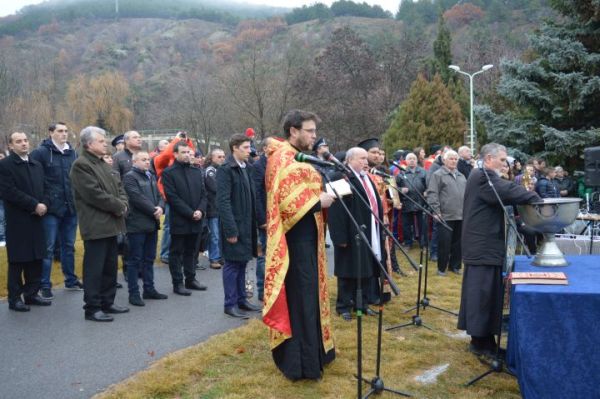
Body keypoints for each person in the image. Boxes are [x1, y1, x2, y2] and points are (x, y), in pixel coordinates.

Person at [263, 109, 336, 380]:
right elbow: (284, 202)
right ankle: (301, 364)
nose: (314, 137)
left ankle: (316, 353)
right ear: (293, 130)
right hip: (295, 241)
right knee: (301, 298)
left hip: (308, 237)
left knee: (311, 297)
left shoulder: (294, 156)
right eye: (310, 131)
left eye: (315, 132)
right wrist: (319, 201)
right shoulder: (282, 157)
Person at [458, 143, 541, 357]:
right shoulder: (483, 176)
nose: (507, 163)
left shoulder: (484, 175)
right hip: (482, 245)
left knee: (487, 293)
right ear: (488, 159)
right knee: (481, 295)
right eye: (502, 160)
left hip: (486, 245)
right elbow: (508, 190)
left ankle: (486, 340)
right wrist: (534, 199)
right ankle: (481, 343)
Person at [70, 126, 130, 322]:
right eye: (101, 141)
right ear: (89, 144)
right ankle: (92, 307)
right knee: (94, 269)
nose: (106, 143)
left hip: (112, 224)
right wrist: (118, 207)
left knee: (110, 267)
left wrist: (123, 204)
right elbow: (94, 195)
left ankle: (107, 302)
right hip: (96, 226)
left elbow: (119, 188)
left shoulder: (104, 164)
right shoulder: (81, 165)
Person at [328, 146, 383, 320]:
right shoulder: (339, 176)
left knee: (365, 266)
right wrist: (340, 237)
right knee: (347, 268)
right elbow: (335, 210)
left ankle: (362, 303)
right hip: (349, 232)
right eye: (361, 159)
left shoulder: (366, 178)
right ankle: (344, 305)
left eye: (366, 159)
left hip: (368, 229)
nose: (366, 162)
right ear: (350, 160)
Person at [30, 122, 82, 300]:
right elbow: (36, 180)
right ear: (51, 132)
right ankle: (44, 285)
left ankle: (71, 280)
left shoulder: (72, 152)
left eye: (66, 131)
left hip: (70, 207)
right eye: (60, 131)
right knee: (48, 248)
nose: (64, 134)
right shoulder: (41, 153)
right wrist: (42, 202)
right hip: (50, 209)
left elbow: (76, 179)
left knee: (69, 246)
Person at [0, 132, 51, 311]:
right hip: (18, 220)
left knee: (36, 258)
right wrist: (34, 205)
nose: (23, 144)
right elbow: (8, 191)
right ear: (11, 146)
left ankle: (31, 294)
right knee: (18, 260)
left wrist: (44, 203)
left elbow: (45, 187)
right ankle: (15, 298)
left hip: (37, 218)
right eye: (18, 141)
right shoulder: (5, 165)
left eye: (25, 140)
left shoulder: (36, 164)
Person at [217, 133, 261, 318]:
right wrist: (230, 229)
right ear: (234, 147)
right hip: (235, 225)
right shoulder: (226, 169)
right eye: (245, 147)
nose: (249, 150)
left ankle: (242, 299)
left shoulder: (246, 167)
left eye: (249, 147)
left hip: (247, 225)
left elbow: (252, 197)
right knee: (232, 264)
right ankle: (230, 303)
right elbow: (223, 202)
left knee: (243, 262)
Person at [161, 140, 207, 296]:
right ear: (175, 154)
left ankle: (191, 279)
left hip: (196, 219)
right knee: (176, 252)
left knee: (192, 251)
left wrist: (200, 210)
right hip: (180, 220)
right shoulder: (168, 173)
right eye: (183, 152)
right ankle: (178, 283)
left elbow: (203, 194)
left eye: (189, 152)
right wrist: (190, 213)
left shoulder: (196, 171)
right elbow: (172, 198)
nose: (187, 155)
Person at [122, 151, 168, 306]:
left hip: (151, 224)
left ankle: (149, 289)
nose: (147, 162)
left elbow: (160, 196)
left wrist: (161, 207)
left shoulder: (151, 176)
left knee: (149, 259)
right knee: (134, 260)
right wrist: (154, 210)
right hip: (137, 225)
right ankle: (133, 293)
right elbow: (136, 197)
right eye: (143, 160)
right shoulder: (130, 177)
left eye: (148, 159)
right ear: (134, 161)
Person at [427, 150, 467, 275]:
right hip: (445, 215)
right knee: (444, 243)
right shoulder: (438, 175)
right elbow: (432, 193)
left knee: (458, 244)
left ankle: (455, 266)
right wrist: (436, 211)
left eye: (456, 159)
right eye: (451, 158)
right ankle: (441, 268)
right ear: (444, 160)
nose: (454, 161)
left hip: (460, 215)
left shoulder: (461, 176)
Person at [251, 137, 274, 301]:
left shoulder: (278, 164)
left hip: (278, 217)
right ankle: (262, 289)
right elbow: (257, 195)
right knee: (264, 254)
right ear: (265, 148)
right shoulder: (258, 166)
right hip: (265, 218)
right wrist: (261, 220)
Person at [397, 152, 427, 249]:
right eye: (409, 158)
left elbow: (429, 185)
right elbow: (395, 187)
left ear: (417, 160)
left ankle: (423, 243)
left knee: (422, 224)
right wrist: (401, 190)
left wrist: (426, 191)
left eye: (414, 158)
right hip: (407, 202)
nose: (412, 160)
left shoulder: (423, 172)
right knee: (406, 225)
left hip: (421, 202)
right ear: (405, 161)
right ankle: (408, 243)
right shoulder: (401, 173)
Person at [204, 148, 226, 269]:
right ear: (212, 158)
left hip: (222, 208)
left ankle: (220, 256)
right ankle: (214, 258)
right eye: (219, 157)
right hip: (212, 208)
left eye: (223, 156)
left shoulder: (222, 170)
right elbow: (215, 188)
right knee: (214, 235)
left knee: (222, 234)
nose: (222, 159)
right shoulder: (210, 171)